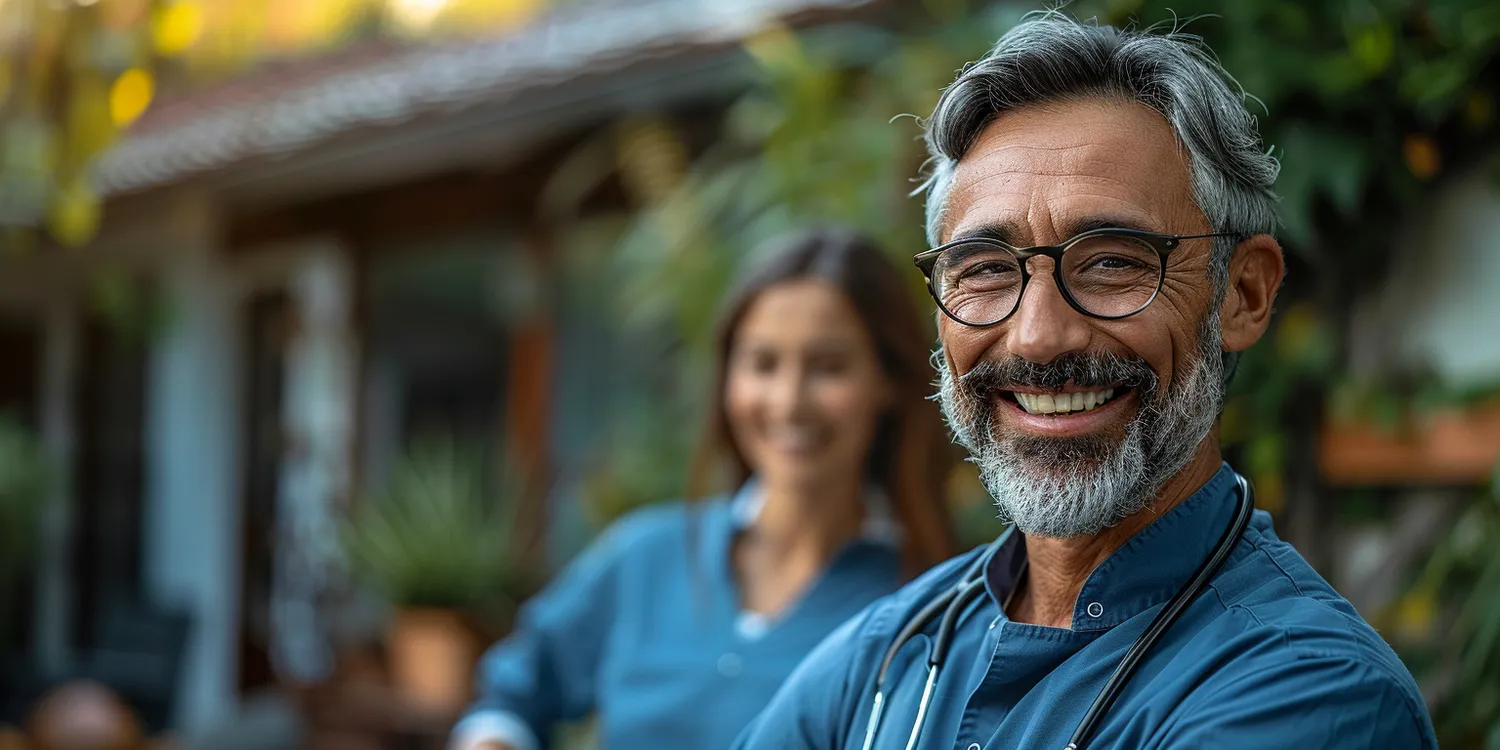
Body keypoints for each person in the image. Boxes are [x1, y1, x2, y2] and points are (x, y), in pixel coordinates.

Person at [733, 12, 1438, 750]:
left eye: (1112, 262)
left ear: (1243, 293)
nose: (1038, 336)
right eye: (985, 269)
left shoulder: (1307, 692)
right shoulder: (889, 655)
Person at [448, 227, 958, 750]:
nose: (788, 402)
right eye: (763, 363)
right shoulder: (645, 559)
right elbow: (508, 699)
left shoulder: (933, 606)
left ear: (888, 381)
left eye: (828, 367)